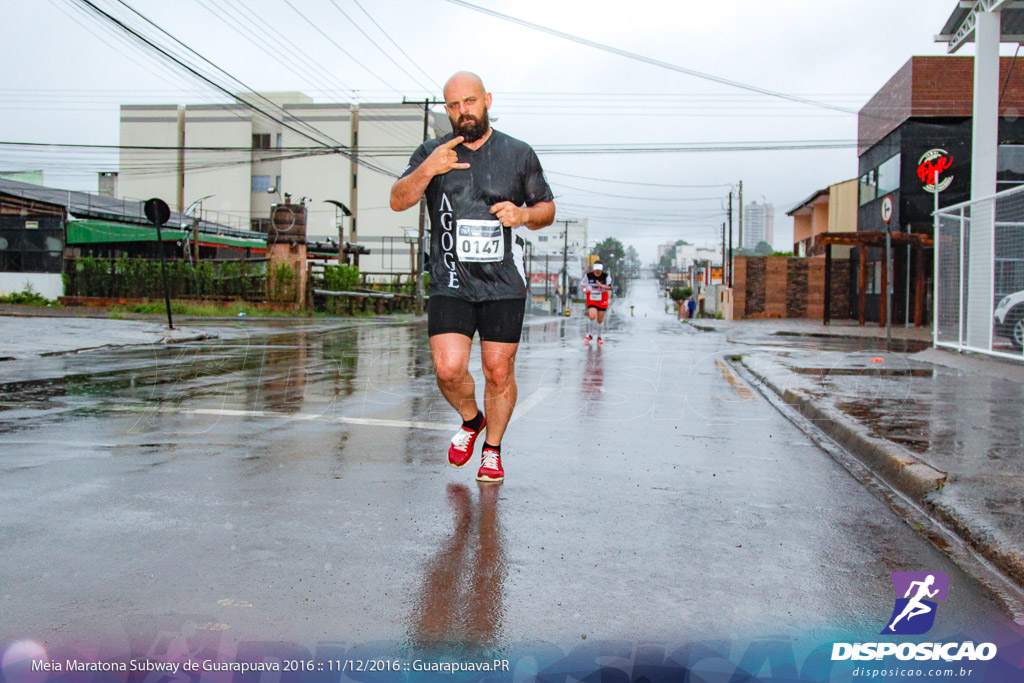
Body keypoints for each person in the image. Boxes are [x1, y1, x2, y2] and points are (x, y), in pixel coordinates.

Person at [389, 71, 555, 483]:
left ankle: (492, 450)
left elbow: (547, 209)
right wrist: (428, 168)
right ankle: (471, 419)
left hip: (502, 284)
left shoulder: (518, 153)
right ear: (446, 109)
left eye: (470, 101)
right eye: (453, 104)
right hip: (450, 281)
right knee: (448, 370)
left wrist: (524, 214)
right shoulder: (432, 152)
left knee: (499, 372)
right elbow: (397, 200)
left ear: (487, 101)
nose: (462, 111)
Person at [581, 261, 612, 345]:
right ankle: (590, 334)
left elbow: (609, 287)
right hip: (592, 297)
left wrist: (601, 286)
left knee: (600, 319)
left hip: (602, 298)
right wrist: (585, 290)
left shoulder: (606, 276)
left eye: (599, 270)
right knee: (592, 316)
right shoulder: (588, 276)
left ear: (601, 270)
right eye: (596, 270)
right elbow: (583, 284)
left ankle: (599, 336)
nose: (597, 272)